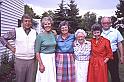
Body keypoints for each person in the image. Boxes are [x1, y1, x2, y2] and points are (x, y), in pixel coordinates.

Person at [0, 14, 37, 82]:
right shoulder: (16, 31)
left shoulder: (34, 33)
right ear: (22, 22)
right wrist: (11, 48)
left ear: (31, 22)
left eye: (29, 21)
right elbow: (2, 38)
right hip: (20, 60)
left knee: (30, 80)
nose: (27, 23)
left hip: (32, 61)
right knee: (20, 80)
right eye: (25, 21)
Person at [101, 17, 124, 82]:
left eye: (108, 23)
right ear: (101, 24)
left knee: (115, 74)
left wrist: (122, 56)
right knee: (102, 75)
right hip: (101, 56)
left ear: (110, 23)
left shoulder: (116, 32)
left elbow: (120, 44)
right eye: (104, 23)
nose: (106, 24)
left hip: (113, 56)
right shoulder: (98, 32)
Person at [35, 16, 56, 82]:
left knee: (51, 77)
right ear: (43, 25)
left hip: (52, 58)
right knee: (44, 77)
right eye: (45, 24)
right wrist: (41, 64)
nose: (47, 25)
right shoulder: (40, 36)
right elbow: (37, 52)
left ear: (51, 24)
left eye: (49, 23)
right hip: (44, 59)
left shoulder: (54, 34)